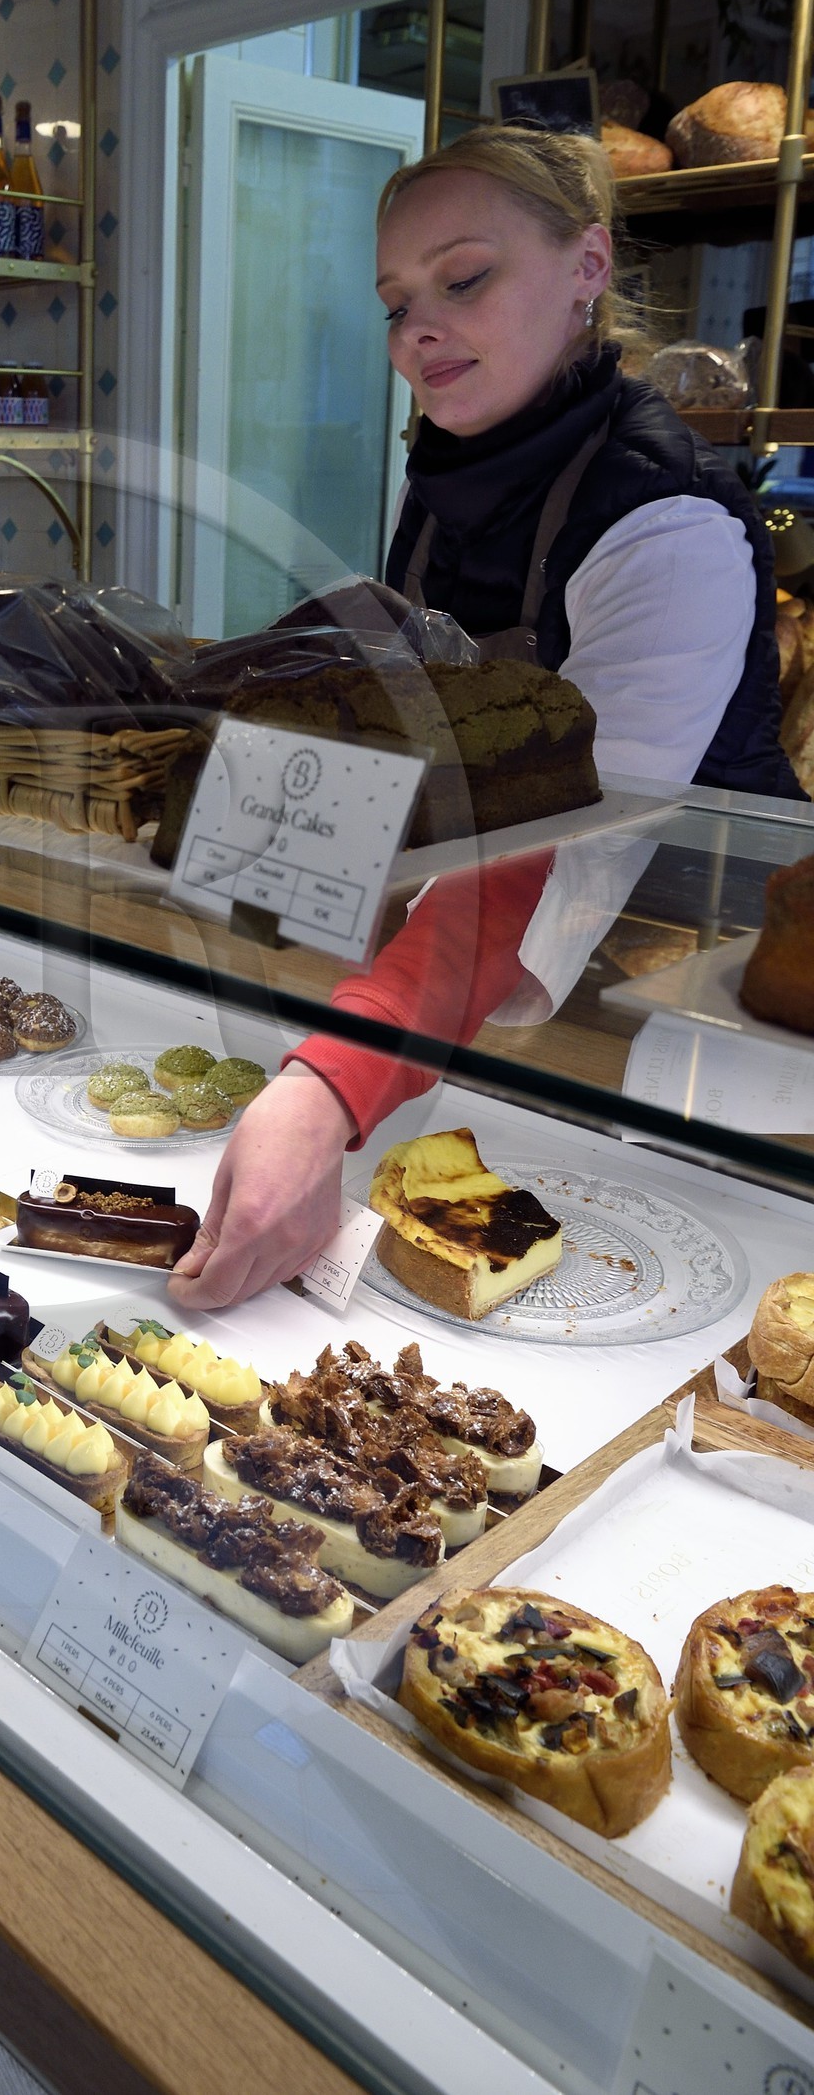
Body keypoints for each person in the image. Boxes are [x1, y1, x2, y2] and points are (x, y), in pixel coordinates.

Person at [172, 121, 801, 1312]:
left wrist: (330, 1085)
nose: (417, 332)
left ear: (587, 269)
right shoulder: (451, 486)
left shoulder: (667, 525)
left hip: (691, 1032)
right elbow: (409, 749)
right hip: (488, 1017)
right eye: (396, 301)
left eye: (463, 279)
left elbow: (557, 842)